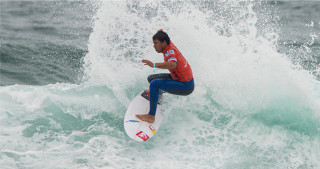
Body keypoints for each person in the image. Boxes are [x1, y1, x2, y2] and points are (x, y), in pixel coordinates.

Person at [136, 29, 194, 123]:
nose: (154, 46)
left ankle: (151, 116)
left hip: (185, 85)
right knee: (151, 79)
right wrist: (159, 31)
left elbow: (172, 64)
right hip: (179, 78)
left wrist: (154, 65)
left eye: (156, 43)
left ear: (163, 43)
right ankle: (157, 94)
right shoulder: (168, 43)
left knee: (154, 84)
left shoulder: (170, 52)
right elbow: (163, 34)